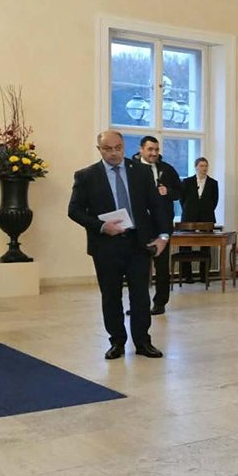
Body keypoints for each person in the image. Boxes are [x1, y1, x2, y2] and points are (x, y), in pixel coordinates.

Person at [67, 130, 172, 359]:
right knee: (111, 295)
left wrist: (163, 236)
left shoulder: (141, 172)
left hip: (138, 243)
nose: (114, 153)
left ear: (124, 147)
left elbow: (157, 206)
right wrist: (101, 226)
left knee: (140, 296)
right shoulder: (87, 176)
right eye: (108, 149)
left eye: (118, 148)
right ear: (99, 149)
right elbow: (74, 210)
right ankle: (116, 341)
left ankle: (143, 342)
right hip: (106, 245)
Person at [129, 136, 182, 315]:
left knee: (162, 267)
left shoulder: (167, 169)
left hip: (162, 226)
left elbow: (179, 192)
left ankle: (160, 302)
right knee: (137, 268)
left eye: (156, 150)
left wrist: (168, 191)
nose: (154, 153)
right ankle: (138, 304)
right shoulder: (130, 169)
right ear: (141, 149)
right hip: (138, 226)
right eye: (150, 149)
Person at [180, 157, 219, 283]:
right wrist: (190, 210)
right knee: (186, 246)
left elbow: (214, 201)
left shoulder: (213, 183)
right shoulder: (187, 182)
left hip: (206, 217)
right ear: (196, 167)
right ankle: (187, 275)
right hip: (189, 217)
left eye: (206, 166)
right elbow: (182, 199)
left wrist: (205, 210)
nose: (204, 168)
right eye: (201, 166)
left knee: (206, 247)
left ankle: (204, 275)